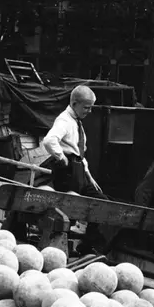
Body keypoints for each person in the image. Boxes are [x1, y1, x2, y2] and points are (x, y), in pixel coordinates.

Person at [42, 85, 107, 253]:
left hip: (79, 169)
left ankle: (87, 245)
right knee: (69, 210)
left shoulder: (76, 121)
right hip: (68, 171)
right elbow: (49, 140)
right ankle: (60, 250)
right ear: (74, 104)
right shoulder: (64, 120)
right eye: (86, 107)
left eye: (91, 107)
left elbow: (79, 152)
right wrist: (61, 157)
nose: (89, 111)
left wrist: (88, 176)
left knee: (102, 202)